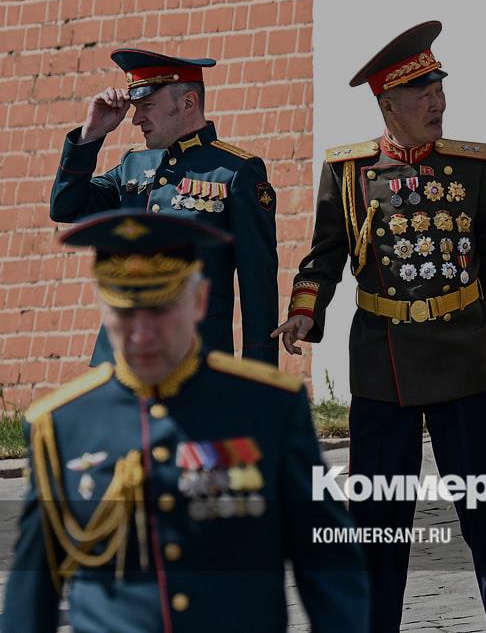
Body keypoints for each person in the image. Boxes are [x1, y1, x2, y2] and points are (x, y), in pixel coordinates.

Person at [271, 21, 486, 633]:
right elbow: (325, 255)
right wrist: (306, 309)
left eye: (439, 91)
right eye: (422, 95)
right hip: (382, 364)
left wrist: (459, 313)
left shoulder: (469, 165)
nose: (437, 104)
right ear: (388, 105)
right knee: (378, 520)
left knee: (484, 510)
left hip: (461, 361)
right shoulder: (349, 171)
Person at [3, 210, 367, 633]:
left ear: (198, 301)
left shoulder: (268, 408)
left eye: (160, 311)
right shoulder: (61, 426)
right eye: (125, 314)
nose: (142, 335)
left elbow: (328, 564)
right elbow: (31, 594)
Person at [48, 48, 280, 366]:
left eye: (147, 106)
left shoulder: (236, 172)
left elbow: (258, 284)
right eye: (135, 108)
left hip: (193, 360)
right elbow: (66, 207)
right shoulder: (133, 165)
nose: (135, 119)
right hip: (118, 359)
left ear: (188, 103)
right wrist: (91, 135)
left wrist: (259, 374)